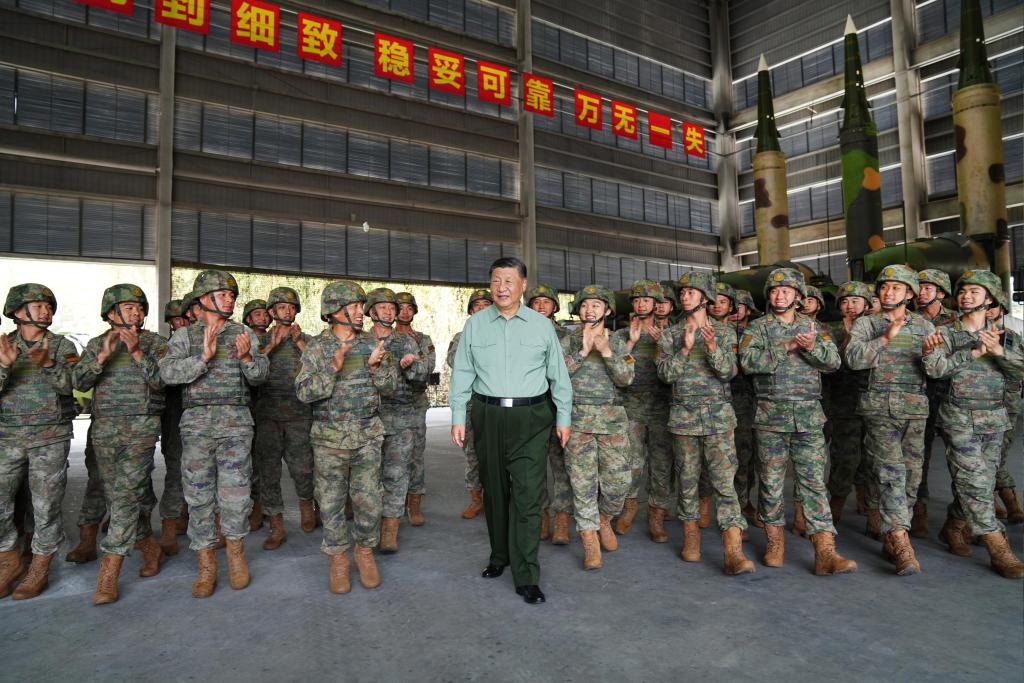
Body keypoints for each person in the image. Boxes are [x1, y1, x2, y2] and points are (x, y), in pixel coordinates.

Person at [449, 257, 572, 605]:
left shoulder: (541, 326)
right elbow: (462, 373)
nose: (501, 287)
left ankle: (527, 573)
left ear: (523, 286)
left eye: (509, 281)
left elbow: (558, 376)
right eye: (496, 281)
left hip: (531, 417)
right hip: (487, 415)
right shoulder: (475, 325)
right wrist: (458, 414)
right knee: (494, 491)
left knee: (528, 495)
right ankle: (499, 556)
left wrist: (563, 417)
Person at [159, 270, 269, 598]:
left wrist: (248, 357)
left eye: (232, 295)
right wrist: (202, 358)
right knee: (198, 496)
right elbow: (167, 374)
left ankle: (235, 556)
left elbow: (262, 375)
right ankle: (206, 564)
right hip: (197, 427)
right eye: (223, 294)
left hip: (236, 424)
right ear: (204, 300)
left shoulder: (244, 332)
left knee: (236, 496)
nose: (230, 299)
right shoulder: (185, 337)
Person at [739, 268, 856, 576]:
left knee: (814, 484)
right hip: (771, 416)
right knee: (771, 483)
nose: (780, 296)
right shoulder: (757, 328)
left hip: (808, 417)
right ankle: (774, 543)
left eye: (787, 292)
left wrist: (811, 347)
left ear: (798, 298)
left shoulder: (814, 328)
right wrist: (786, 347)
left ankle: (825, 551)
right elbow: (748, 363)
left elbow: (833, 363)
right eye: (776, 292)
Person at [296, 281, 396, 594]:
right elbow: (303, 392)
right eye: (352, 306)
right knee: (330, 503)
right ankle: (338, 558)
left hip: (367, 436)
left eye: (359, 305)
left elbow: (390, 385)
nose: (360, 312)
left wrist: (377, 368)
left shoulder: (372, 343)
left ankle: (364, 552)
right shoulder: (317, 347)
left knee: (369, 501)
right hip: (329, 440)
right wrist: (332, 368)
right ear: (333, 311)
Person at [924, 270, 1023, 579]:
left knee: (981, 481)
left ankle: (953, 527)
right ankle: (999, 547)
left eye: (974, 292)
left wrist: (998, 353)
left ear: (989, 298)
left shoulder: (1007, 337)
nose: (966, 295)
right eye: (963, 291)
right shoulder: (945, 333)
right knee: (974, 482)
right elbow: (934, 369)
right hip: (958, 417)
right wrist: (972, 353)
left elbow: (1019, 374)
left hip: (994, 418)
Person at [73, 284, 168, 604]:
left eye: (140, 307)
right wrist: (102, 356)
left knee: (126, 497)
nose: (137, 312)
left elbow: (162, 381)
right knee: (119, 497)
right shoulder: (97, 344)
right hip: (105, 429)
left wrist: (139, 352)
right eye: (129, 308)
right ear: (112, 313)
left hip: (141, 428)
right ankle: (150, 546)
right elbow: (80, 383)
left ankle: (109, 569)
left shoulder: (155, 342)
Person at [845, 265, 940, 576]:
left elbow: (937, 370)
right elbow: (854, 360)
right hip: (879, 408)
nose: (888, 292)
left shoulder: (925, 327)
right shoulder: (866, 324)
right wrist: (885, 338)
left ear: (910, 294)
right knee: (891, 473)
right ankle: (901, 543)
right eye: (885, 287)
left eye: (897, 288)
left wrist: (930, 357)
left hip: (914, 408)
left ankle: (892, 531)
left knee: (912, 478)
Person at [657, 272, 753, 575]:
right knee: (687, 482)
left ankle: (733, 551)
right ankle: (691, 539)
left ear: (706, 297)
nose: (685, 296)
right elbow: (665, 375)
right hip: (684, 419)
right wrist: (685, 349)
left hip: (718, 420)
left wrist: (711, 348)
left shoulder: (724, 333)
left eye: (691, 292)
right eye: (682, 292)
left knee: (725, 484)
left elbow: (728, 373)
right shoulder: (670, 335)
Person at [0, 284, 79, 600]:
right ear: (19, 312)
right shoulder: (4, 345)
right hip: (7, 437)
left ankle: (40, 565)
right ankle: (9, 558)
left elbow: (76, 384)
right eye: (37, 305)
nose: (45, 310)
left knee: (46, 505)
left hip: (50, 438)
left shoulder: (62, 347)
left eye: (48, 305)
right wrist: (4, 366)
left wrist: (48, 363)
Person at [560, 285, 634, 570]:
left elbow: (627, 378)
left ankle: (604, 518)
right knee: (582, 485)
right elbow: (555, 375)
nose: (589, 310)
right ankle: (590, 540)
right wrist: (582, 351)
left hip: (612, 422)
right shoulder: (567, 341)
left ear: (607, 310)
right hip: (577, 421)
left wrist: (605, 352)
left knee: (618, 484)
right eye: (584, 305)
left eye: (595, 305)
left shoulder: (617, 341)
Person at [253, 287, 315, 551]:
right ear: (272, 312)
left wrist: (300, 343)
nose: (287, 311)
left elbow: (322, 367)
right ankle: (276, 525)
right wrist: (273, 345)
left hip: (299, 414)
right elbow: (250, 368)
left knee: (303, 468)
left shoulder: (309, 340)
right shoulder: (259, 341)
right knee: (269, 472)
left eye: (291, 307)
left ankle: (307, 507)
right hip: (268, 416)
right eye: (281, 308)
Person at [364, 288, 425, 554]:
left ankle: (390, 530)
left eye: (392, 308)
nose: (390, 312)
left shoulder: (406, 341)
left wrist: (412, 365)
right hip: (368, 420)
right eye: (383, 307)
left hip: (401, 418)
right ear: (371, 311)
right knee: (368, 477)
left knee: (397, 475)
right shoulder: (360, 341)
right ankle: (369, 527)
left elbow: (422, 375)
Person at [613, 280, 673, 543]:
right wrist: (630, 343)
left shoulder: (671, 333)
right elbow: (612, 367)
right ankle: (629, 508)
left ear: (656, 304)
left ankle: (656, 516)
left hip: (663, 406)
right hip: (632, 406)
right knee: (632, 463)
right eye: (636, 300)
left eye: (646, 300)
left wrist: (665, 344)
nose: (640, 304)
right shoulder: (621, 335)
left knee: (661, 465)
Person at [912, 269, 957, 537]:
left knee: (962, 458)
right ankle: (920, 510)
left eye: (928, 288)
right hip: (921, 393)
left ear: (941, 292)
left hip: (951, 394)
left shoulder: (956, 320)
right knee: (919, 455)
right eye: (918, 288)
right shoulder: (910, 320)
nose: (921, 292)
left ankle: (961, 518)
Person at [824, 282, 873, 523]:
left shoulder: (878, 330)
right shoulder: (833, 332)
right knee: (845, 456)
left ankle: (868, 502)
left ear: (867, 304)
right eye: (845, 301)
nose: (850, 306)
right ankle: (838, 501)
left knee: (872, 457)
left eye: (856, 301)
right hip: (844, 404)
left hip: (874, 402)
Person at [526, 284, 571, 543]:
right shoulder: (521, 334)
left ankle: (562, 519)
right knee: (534, 468)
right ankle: (541, 516)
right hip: (532, 412)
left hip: (558, 411)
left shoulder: (567, 337)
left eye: (546, 301)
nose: (541, 306)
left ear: (555, 306)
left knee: (562, 467)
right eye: (536, 302)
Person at [447, 289, 494, 519]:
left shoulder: (503, 334)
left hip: (495, 405)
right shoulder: (461, 336)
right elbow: (455, 361)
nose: (482, 308)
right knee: (472, 454)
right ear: (471, 310)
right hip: (470, 404)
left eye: (487, 304)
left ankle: (496, 498)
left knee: (497, 454)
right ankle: (476, 499)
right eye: (477, 305)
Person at [395, 292, 435, 529]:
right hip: (388, 404)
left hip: (414, 404)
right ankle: (391, 505)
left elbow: (428, 367)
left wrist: (416, 351)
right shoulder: (382, 338)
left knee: (415, 455)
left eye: (410, 308)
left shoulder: (423, 338)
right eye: (400, 308)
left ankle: (414, 503)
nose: (405, 312)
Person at [986, 287, 1024, 523]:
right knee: (985, 459)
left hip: (1007, 400)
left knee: (997, 455)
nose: (988, 311)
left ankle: (1008, 501)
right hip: (980, 401)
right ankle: (997, 503)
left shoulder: (1015, 329)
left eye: (992, 306)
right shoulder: (968, 329)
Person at [158, 299, 190, 556]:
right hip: (174, 415)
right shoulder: (165, 347)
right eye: (175, 321)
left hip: (200, 415)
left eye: (183, 320)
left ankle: (200, 517)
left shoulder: (199, 341)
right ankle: (171, 523)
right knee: (175, 471)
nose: (179, 324)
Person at [729, 289, 760, 526]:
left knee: (753, 458)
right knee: (738, 455)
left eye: (739, 307)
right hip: (732, 402)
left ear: (748, 310)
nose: (733, 311)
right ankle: (737, 506)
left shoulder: (757, 333)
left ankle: (746, 498)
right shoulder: (721, 334)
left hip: (757, 402)